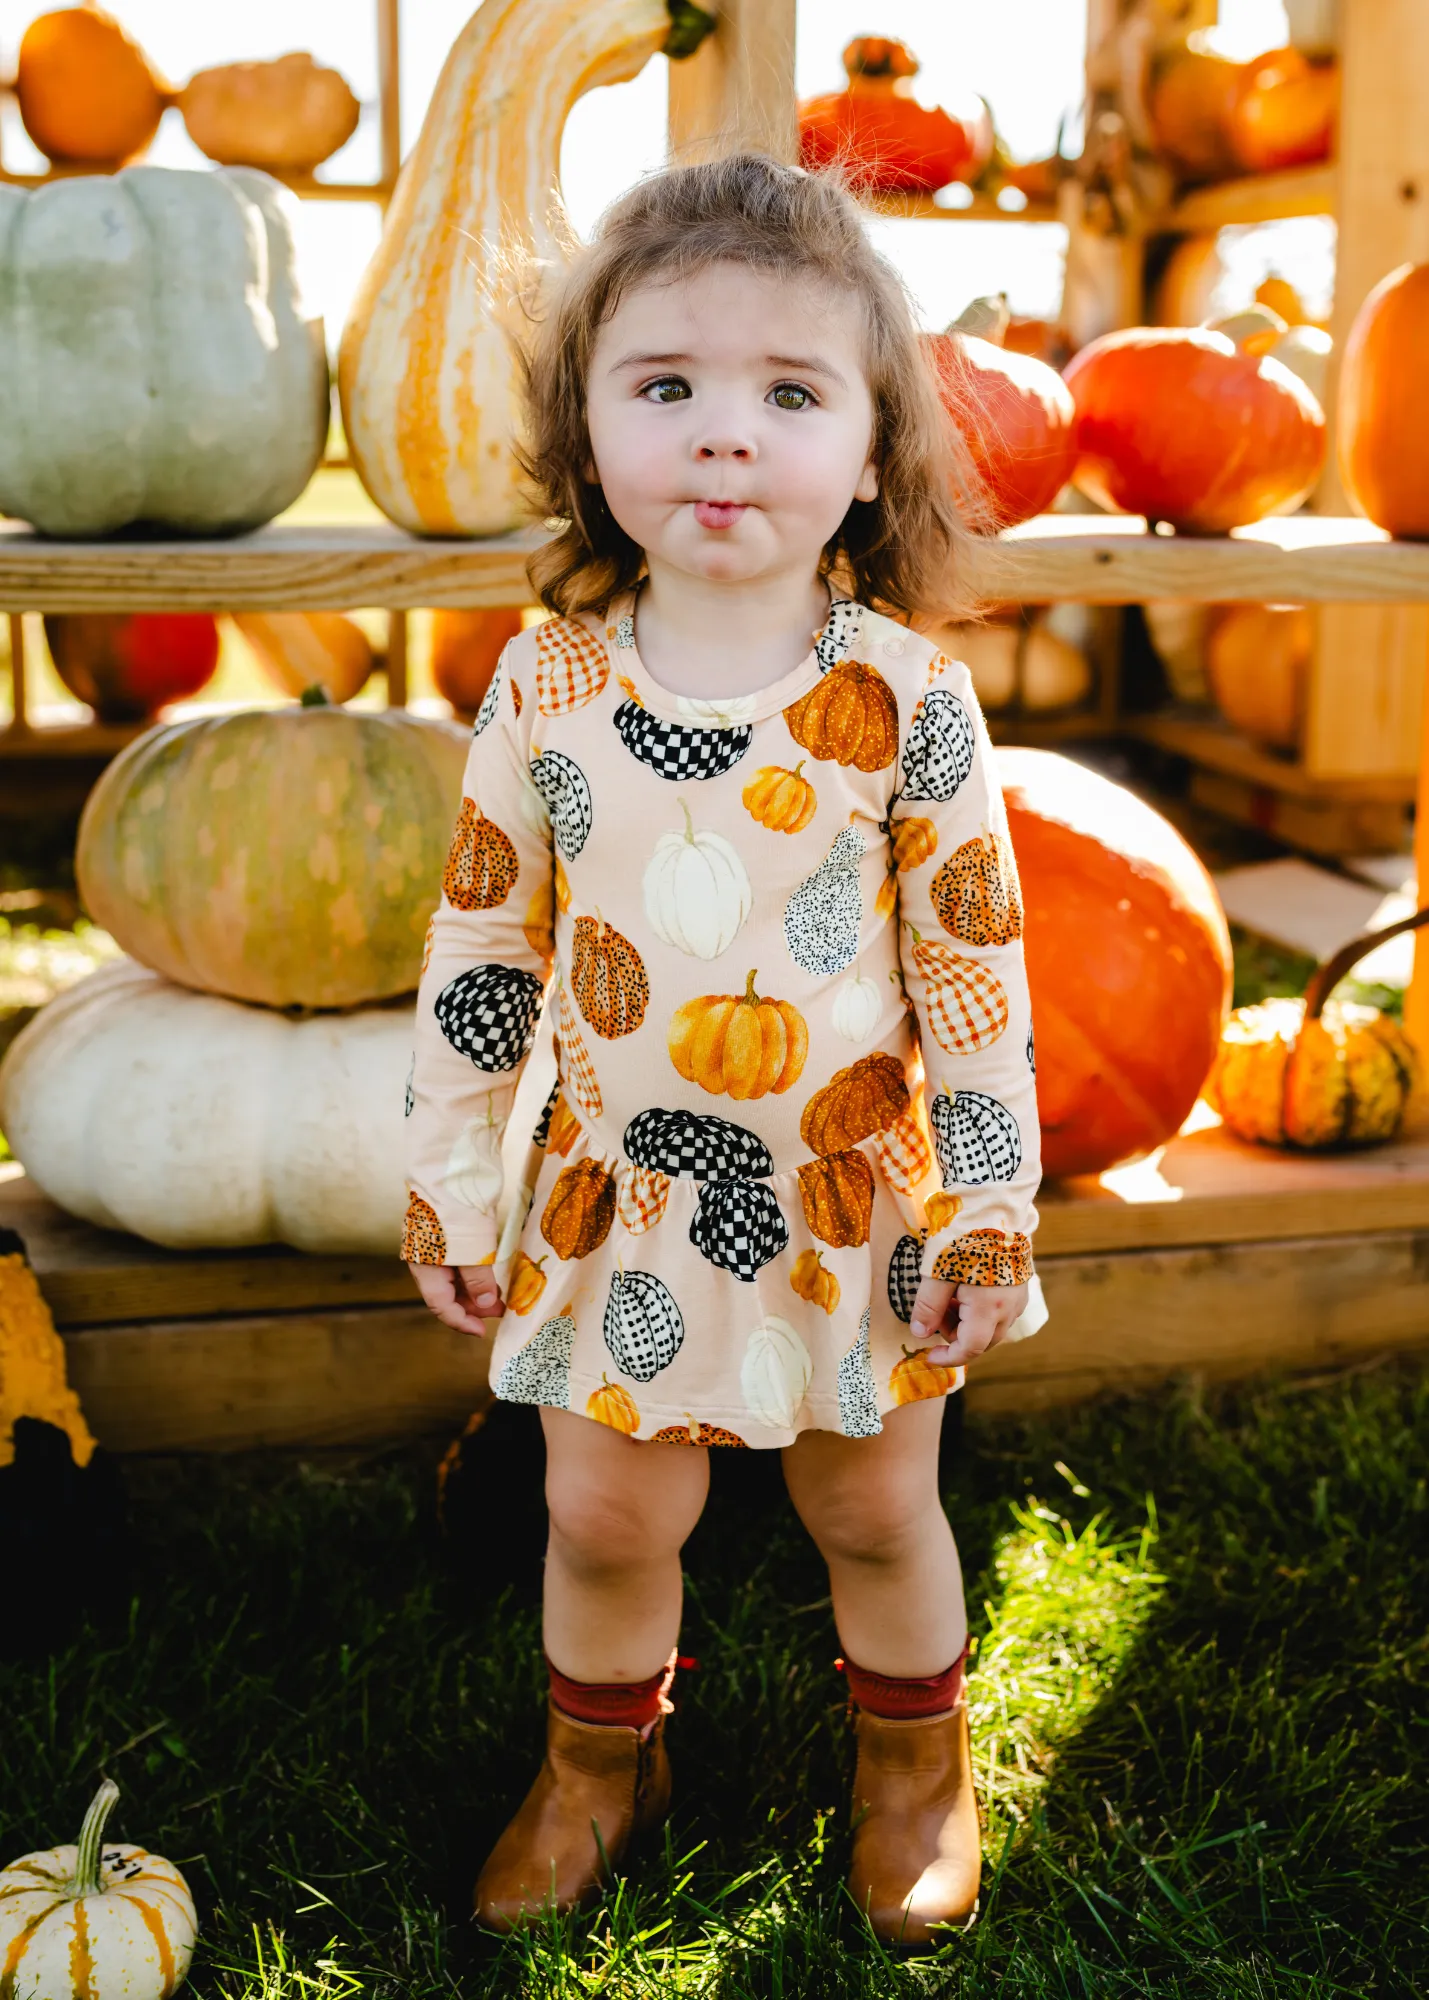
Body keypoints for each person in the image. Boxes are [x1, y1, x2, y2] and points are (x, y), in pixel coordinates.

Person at [404, 152, 1044, 1946]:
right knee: (605, 1511)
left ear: (870, 444)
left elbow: (977, 975)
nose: (723, 439)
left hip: (849, 1192)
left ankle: (916, 1761)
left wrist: (990, 1208)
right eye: (666, 386)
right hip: (623, 1197)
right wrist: (454, 1179)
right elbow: (479, 954)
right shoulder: (546, 685)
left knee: (871, 1500)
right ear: (588, 424)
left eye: (789, 393)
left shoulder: (907, 700)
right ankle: (600, 1766)